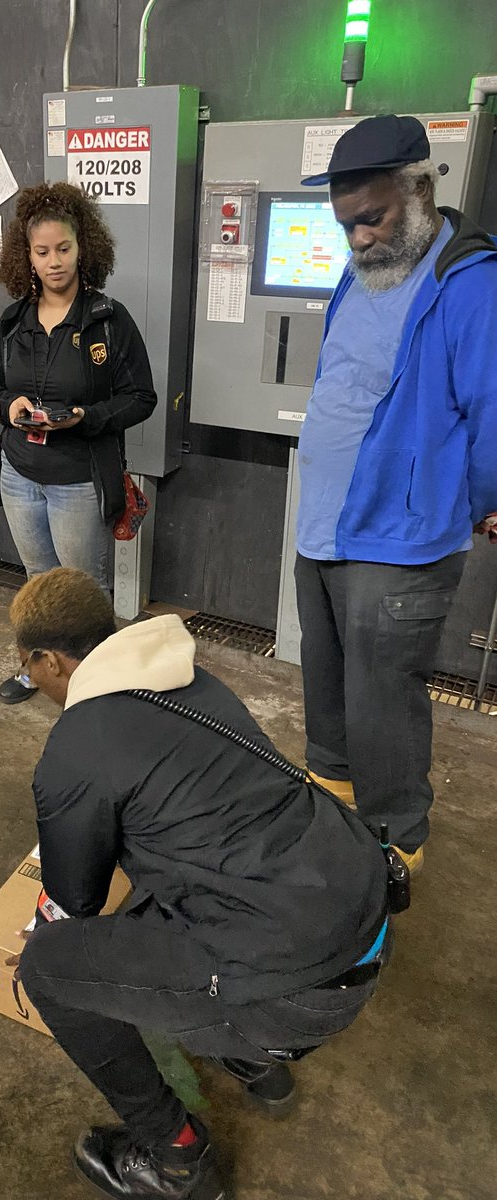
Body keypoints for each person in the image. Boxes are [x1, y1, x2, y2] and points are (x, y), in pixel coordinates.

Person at [10, 567, 389, 1200]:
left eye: (28, 671)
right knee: (165, 884)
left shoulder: (75, 749)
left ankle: (176, 1155)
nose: (33, 682)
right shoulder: (190, 681)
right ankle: (251, 1062)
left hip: (300, 992)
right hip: (362, 922)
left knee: (49, 968)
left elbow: (74, 899)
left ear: (49, 660)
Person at [297, 114, 497, 874]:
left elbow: (495, 410)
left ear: (419, 188)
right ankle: (331, 818)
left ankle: (393, 850)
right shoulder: (363, 272)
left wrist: (483, 500)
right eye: (346, 225)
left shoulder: (471, 283)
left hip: (399, 538)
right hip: (323, 527)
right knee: (328, 691)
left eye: (371, 219)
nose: (357, 240)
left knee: (384, 706)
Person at [0, 182, 156, 704]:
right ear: (26, 258)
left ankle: (96, 688)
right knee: (37, 584)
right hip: (19, 474)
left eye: (63, 249)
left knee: (84, 590)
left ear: (84, 249)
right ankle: (38, 672)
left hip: (79, 478)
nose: (54, 262)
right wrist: (9, 407)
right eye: (42, 252)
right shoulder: (12, 323)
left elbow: (141, 397)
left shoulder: (108, 321)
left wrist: (86, 417)